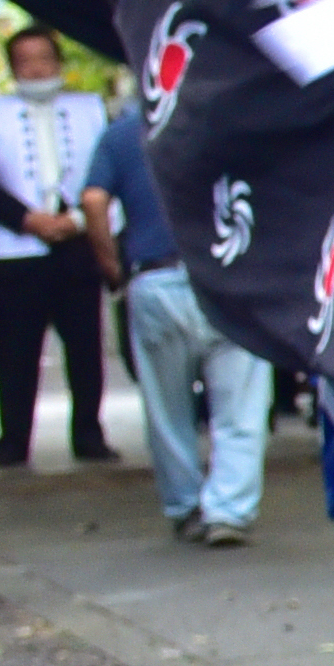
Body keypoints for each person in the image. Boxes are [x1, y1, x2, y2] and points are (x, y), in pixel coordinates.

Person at [84, 100, 271, 545]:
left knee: (167, 410)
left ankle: (185, 504)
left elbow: (93, 201)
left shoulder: (123, 133)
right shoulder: (234, 120)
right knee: (240, 407)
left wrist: (114, 268)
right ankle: (229, 510)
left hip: (156, 278)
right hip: (231, 277)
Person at [0, 25, 116, 468]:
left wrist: (79, 220)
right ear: (13, 68)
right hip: (15, 250)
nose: (37, 68)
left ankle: (89, 433)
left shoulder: (91, 110)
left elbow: (108, 175)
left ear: (58, 62)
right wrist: (28, 221)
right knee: (15, 352)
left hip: (77, 243)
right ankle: (13, 440)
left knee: (85, 348)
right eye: (26, 61)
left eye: (44, 58)